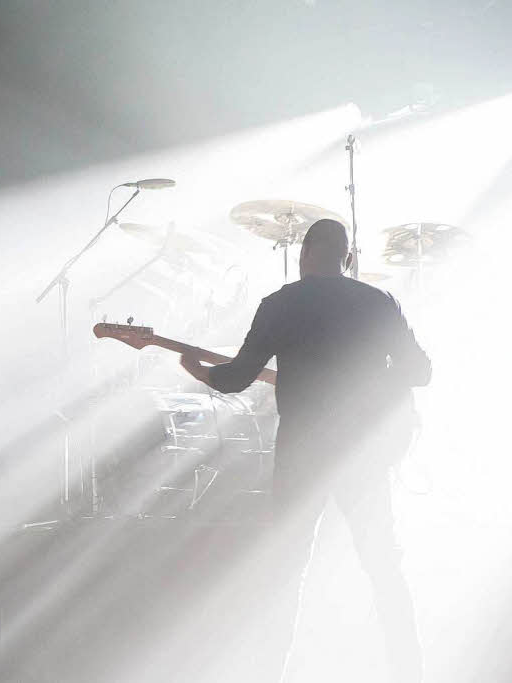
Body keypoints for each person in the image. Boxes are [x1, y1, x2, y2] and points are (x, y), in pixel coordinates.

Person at [180, 219, 431, 682]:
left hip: (303, 450)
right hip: (362, 451)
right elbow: (421, 371)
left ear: (306, 251)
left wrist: (198, 370)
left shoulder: (280, 304)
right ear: (347, 255)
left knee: (286, 568)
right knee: (383, 566)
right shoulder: (378, 301)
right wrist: (374, 389)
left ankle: (273, 673)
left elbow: (236, 377)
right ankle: (410, 669)